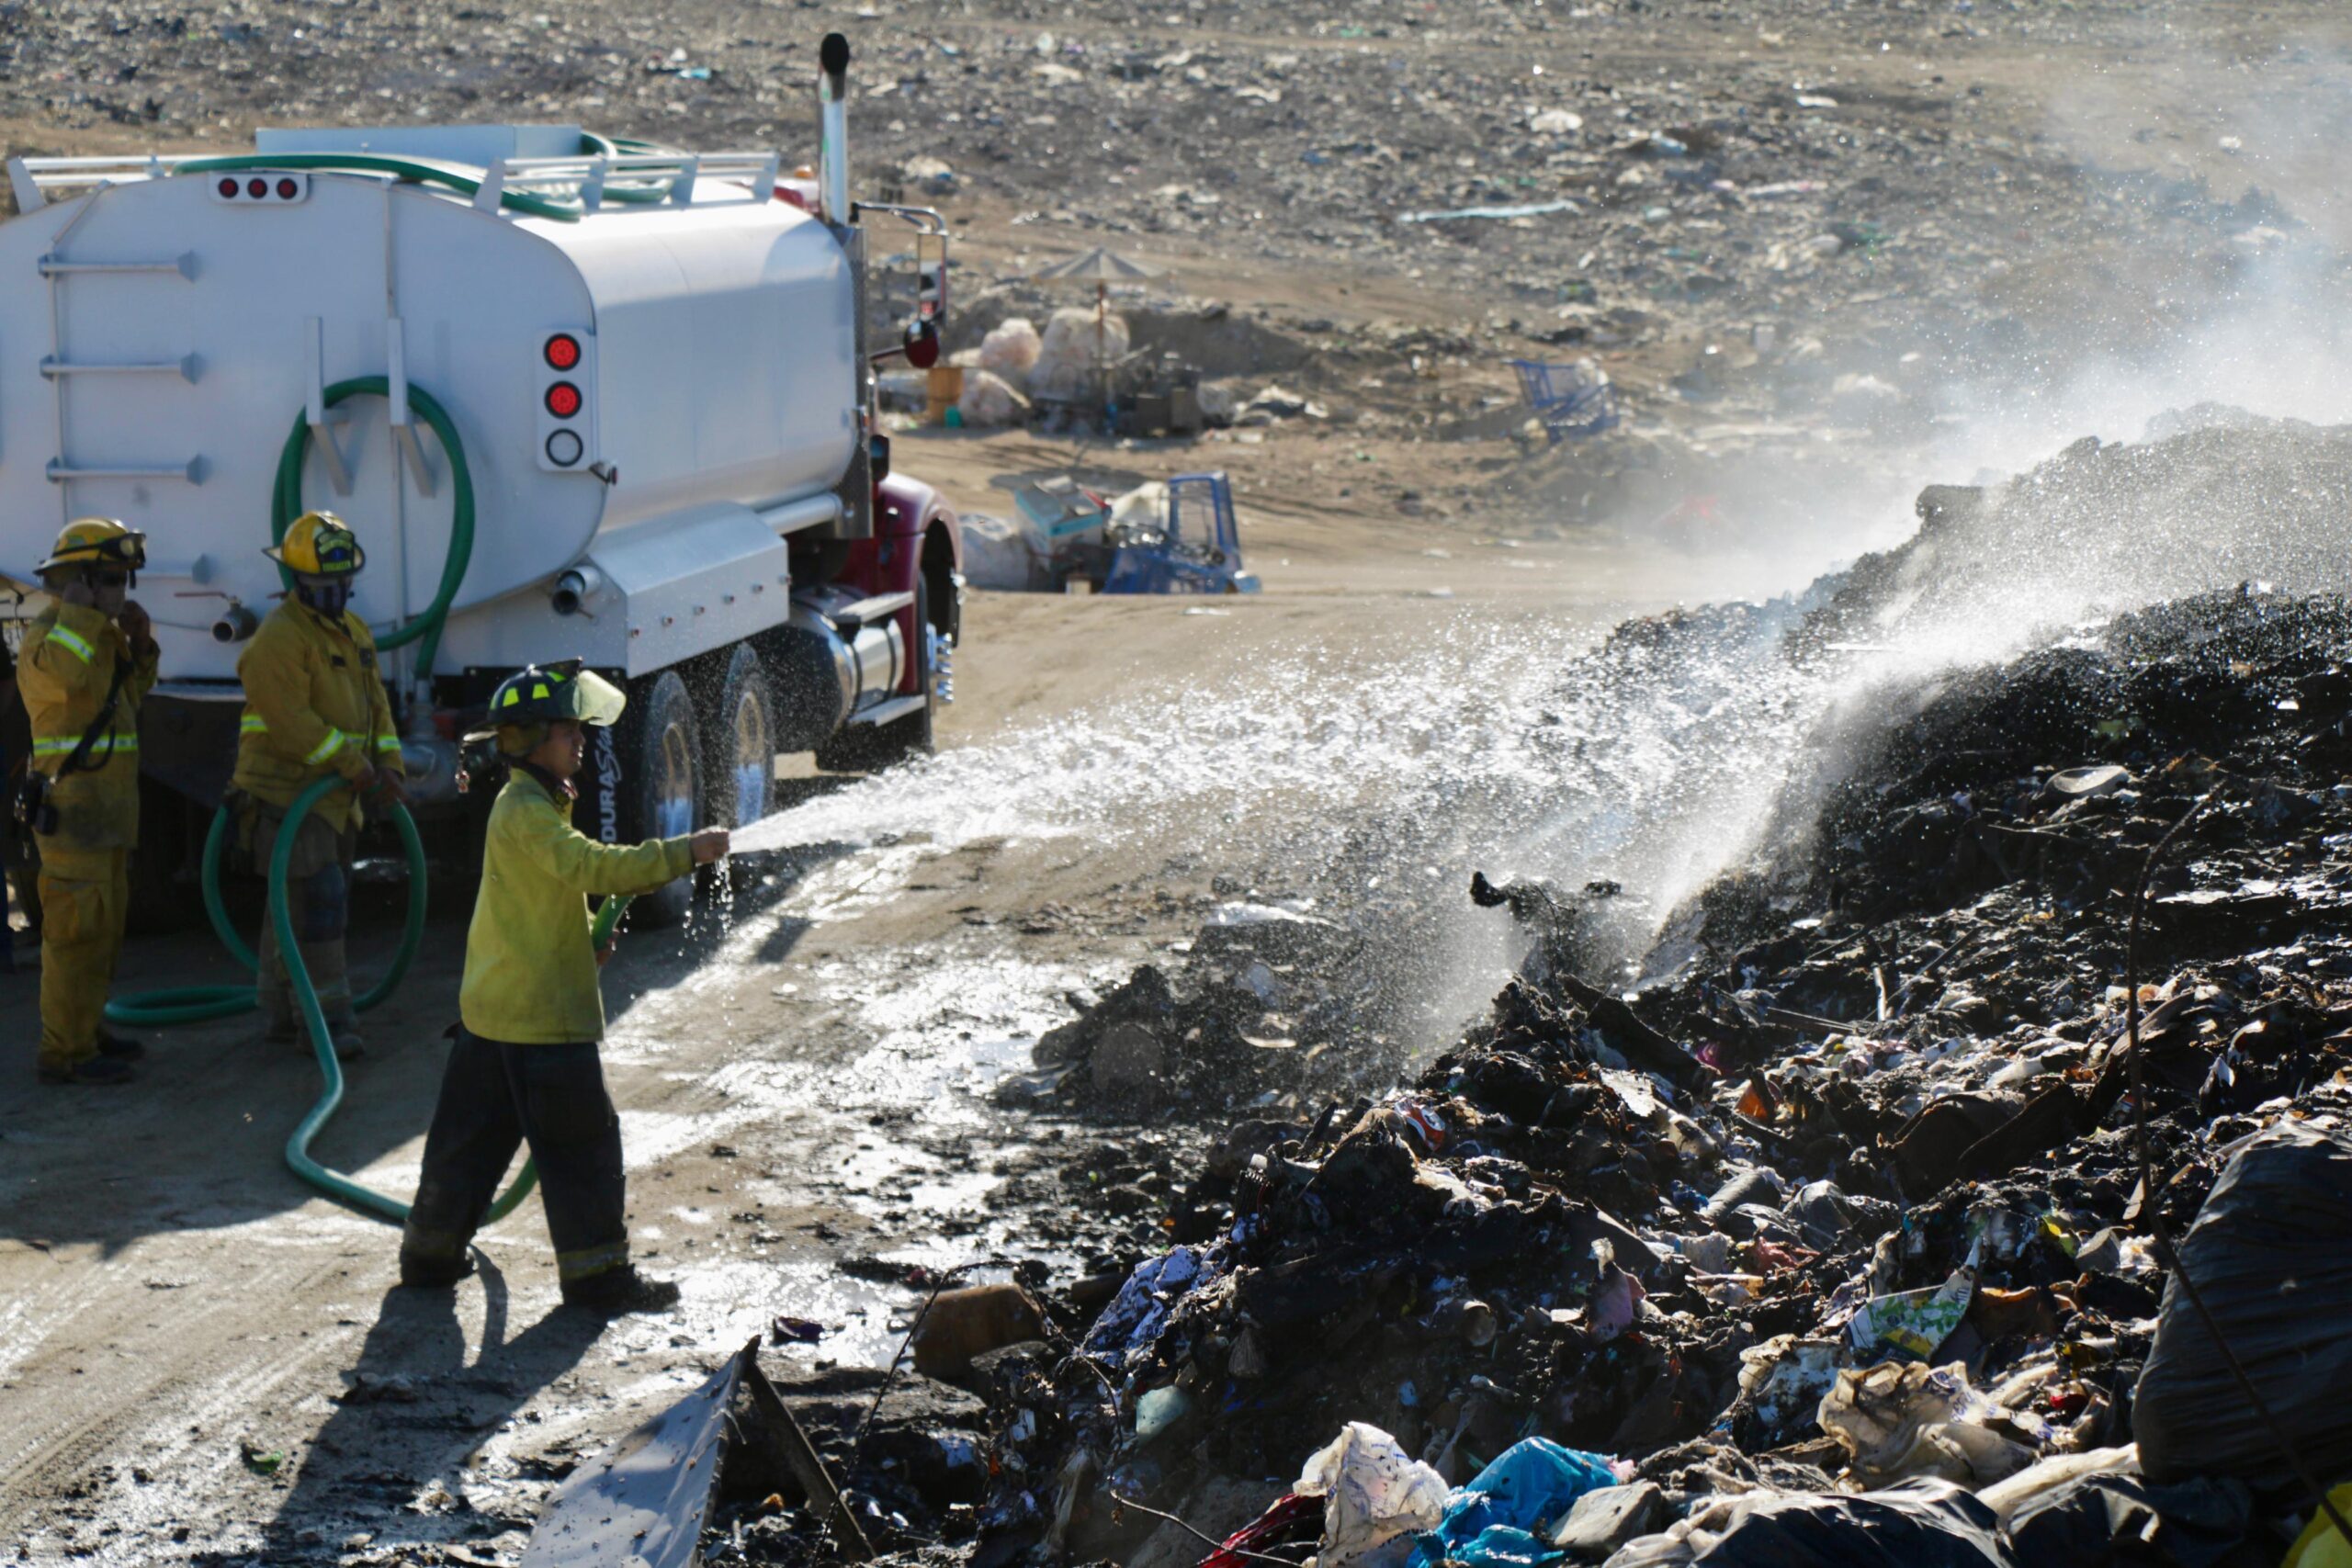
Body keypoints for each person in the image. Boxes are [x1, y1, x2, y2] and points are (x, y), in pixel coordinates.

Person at [399, 659, 729, 1314]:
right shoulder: (527, 810)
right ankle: (597, 1276)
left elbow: (540, 897)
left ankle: (430, 1256)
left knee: (465, 1146)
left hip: (492, 1018)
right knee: (583, 1149)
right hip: (543, 1025)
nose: (580, 741)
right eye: (566, 731)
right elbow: (587, 865)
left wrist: (582, 939)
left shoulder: (528, 805)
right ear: (526, 741)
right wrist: (683, 852)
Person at [232, 511, 404, 1060]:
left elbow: (376, 703)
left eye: (340, 582)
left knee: (295, 903)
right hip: (287, 791)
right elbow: (292, 723)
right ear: (297, 582)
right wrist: (355, 765)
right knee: (317, 899)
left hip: (334, 794)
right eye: (322, 584)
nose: (334, 592)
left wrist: (390, 763)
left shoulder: (352, 633)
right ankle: (326, 1020)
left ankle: (281, 1013)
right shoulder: (278, 640)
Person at [17, 518, 159, 1085]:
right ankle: (64, 1054)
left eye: (125, 579)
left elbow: (127, 700)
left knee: (102, 936)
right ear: (77, 582)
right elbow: (67, 679)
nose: (121, 590)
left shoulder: (96, 636)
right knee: (73, 940)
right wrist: (80, 613)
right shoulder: (50, 640)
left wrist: (140, 645)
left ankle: (88, 1032)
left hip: (108, 818)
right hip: (73, 819)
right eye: (110, 579)